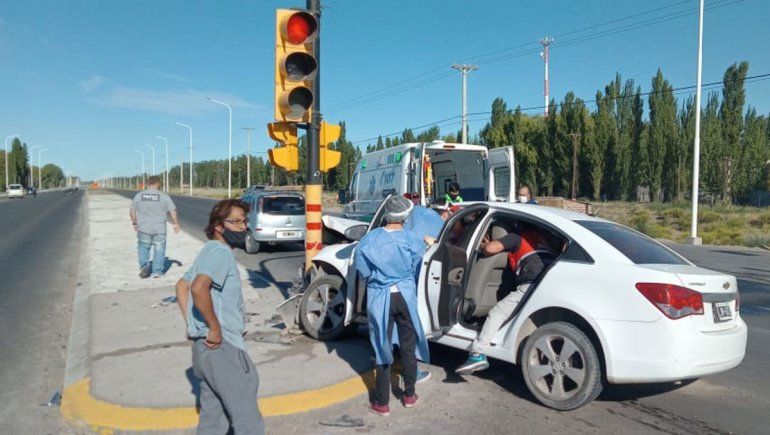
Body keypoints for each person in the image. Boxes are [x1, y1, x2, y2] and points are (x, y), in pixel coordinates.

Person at [174, 199, 265, 435]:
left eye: (244, 221)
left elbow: (181, 286)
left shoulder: (207, 251)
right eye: (234, 222)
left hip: (203, 351)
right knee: (248, 421)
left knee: (213, 420)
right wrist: (213, 327)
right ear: (218, 226)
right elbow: (197, 288)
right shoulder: (220, 253)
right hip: (224, 349)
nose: (242, 226)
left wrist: (193, 325)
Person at [355, 196, 430, 417]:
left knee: (381, 346)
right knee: (407, 347)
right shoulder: (412, 239)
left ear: (386, 214)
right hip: (405, 296)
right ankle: (409, 395)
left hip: (380, 298)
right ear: (405, 217)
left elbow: (363, 271)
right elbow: (417, 264)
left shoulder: (369, 240)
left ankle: (382, 403)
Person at [455, 223, 559, 375]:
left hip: (531, 283)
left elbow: (491, 249)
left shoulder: (516, 238)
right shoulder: (544, 240)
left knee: (497, 312)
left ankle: (477, 354)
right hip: (549, 283)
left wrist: (485, 245)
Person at [130, 176, 180, 278]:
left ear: (147, 184)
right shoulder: (164, 196)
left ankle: (144, 266)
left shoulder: (139, 196)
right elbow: (173, 211)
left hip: (144, 228)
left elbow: (132, 211)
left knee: (143, 247)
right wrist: (175, 223)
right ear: (158, 184)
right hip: (159, 229)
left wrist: (135, 223)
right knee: (159, 249)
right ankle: (157, 272)